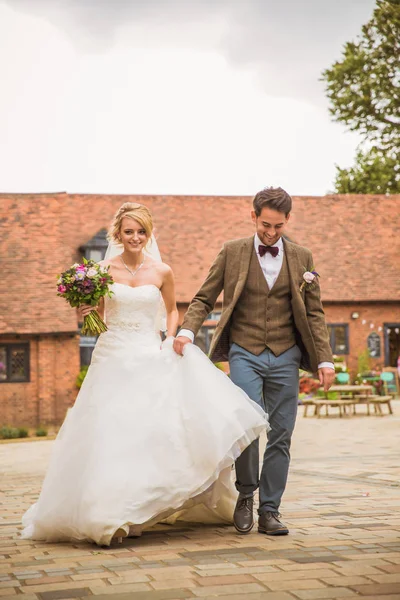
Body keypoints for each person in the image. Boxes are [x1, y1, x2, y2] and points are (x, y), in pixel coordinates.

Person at [21, 203, 268, 546]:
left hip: (148, 351)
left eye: (141, 232)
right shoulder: (101, 271)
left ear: (148, 234)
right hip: (113, 355)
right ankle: (109, 513)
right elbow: (99, 316)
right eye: (128, 232)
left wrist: (170, 338)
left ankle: (141, 504)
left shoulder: (162, 271)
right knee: (111, 432)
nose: (135, 238)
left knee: (146, 430)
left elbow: (171, 310)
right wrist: (87, 311)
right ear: (117, 235)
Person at [174, 187, 335, 536]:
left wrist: (325, 361)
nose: (271, 232)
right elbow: (204, 297)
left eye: (278, 226)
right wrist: (186, 332)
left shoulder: (303, 256)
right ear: (253, 216)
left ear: (288, 220)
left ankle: (270, 510)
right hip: (244, 351)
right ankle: (246, 494)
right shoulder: (232, 252)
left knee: (282, 434)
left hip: (286, 355)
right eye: (265, 225)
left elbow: (315, 314)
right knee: (247, 427)